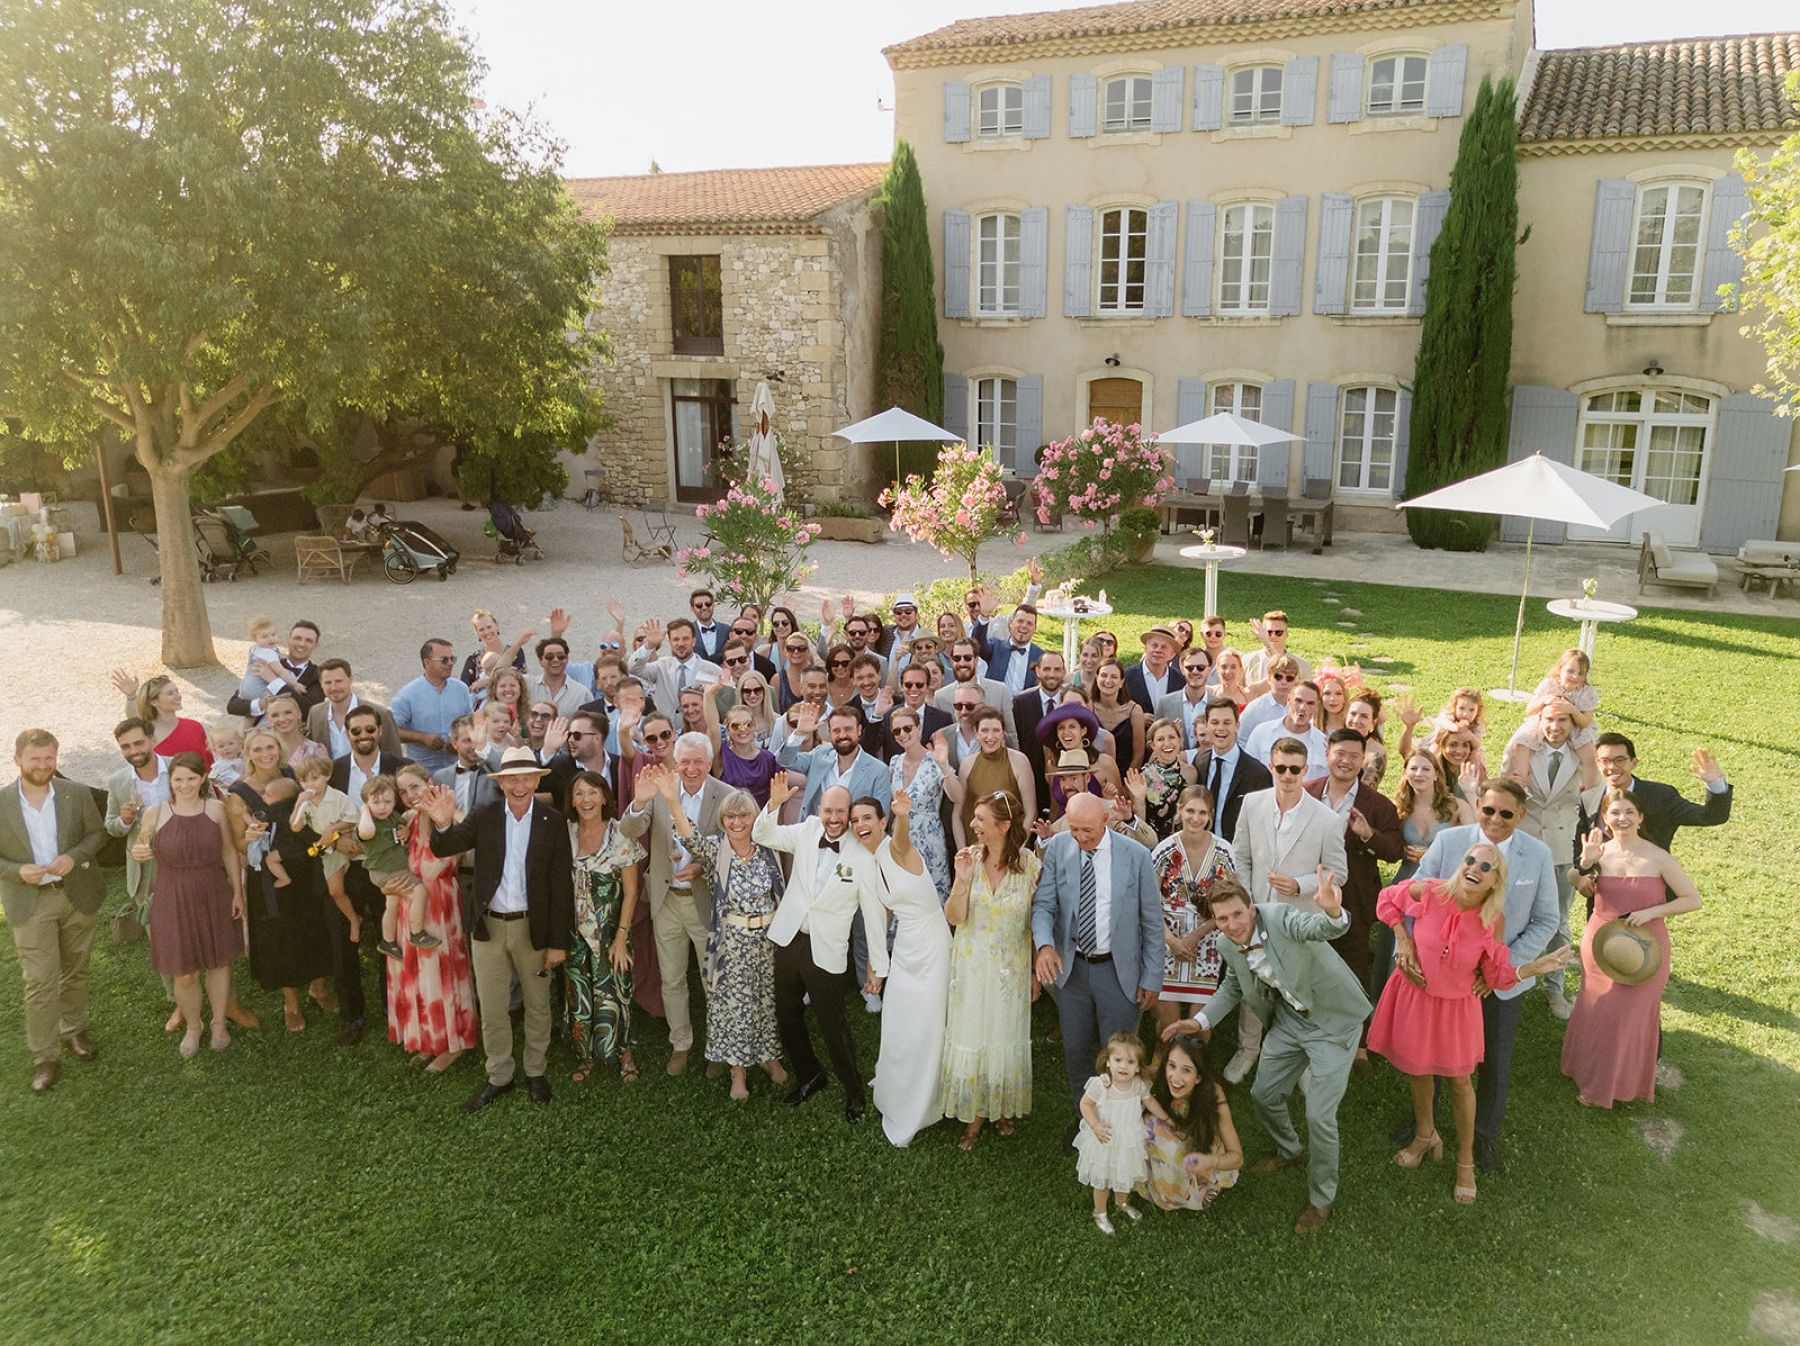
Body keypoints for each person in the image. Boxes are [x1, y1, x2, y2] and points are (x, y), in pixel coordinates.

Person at [1164, 874, 1368, 1235]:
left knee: (1319, 1115)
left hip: (1333, 1022)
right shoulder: (1227, 944)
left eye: (1237, 914)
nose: (1232, 925)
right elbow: (1233, 985)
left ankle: (1321, 1200)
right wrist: (1200, 1021)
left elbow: (1321, 927)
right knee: (1263, 1094)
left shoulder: (1281, 918)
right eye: (1222, 919)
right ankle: (1290, 1150)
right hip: (1290, 1021)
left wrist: (1333, 912)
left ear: (1252, 910)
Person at [1369, 849, 1572, 1204]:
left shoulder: (1492, 921)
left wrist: (1532, 968)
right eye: (1470, 861)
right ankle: (1425, 1135)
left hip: (1456, 1009)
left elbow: (1495, 975)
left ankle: (1465, 1162)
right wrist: (1402, 937)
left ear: (1494, 881)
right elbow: (1387, 898)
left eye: (1486, 866)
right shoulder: (1430, 891)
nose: (1474, 868)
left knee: (1460, 1083)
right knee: (1418, 1070)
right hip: (1416, 996)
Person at [1406, 778, 1561, 1173]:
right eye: (1489, 810)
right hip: (1443, 977)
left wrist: (1500, 971)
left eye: (1506, 813)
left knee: (1494, 1058)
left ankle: (1485, 1136)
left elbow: (1547, 920)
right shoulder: (1449, 842)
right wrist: (1406, 945)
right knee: (1430, 1050)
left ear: (1521, 816)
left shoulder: (1538, 855)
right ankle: (1425, 1124)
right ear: (1477, 806)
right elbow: (1413, 891)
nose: (1495, 819)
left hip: (1496, 983)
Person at [422, 747, 574, 1113]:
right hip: (489, 927)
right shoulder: (484, 814)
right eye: (512, 779)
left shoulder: (552, 821)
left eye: (526, 778)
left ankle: (535, 1070)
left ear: (536, 781)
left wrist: (557, 942)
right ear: (501, 783)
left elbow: (561, 885)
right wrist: (441, 823)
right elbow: (447, 846)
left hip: (533, 927)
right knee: (492, 1007)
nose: (519, 785)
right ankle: (500, 1074)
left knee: (538, 1004)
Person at [752, 776, 889, 1122]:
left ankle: (854, 1090)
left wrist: (877, 966)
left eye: (841, 811)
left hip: (827, 948)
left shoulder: (863, 854)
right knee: (787, 1015)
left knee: (833, 1024)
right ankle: (810, 1074)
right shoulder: (808, 829)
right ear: (819, 809)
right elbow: (762, 834)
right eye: (828, 810)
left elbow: (874, 914)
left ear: (849, 812)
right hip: (789, 939)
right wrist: (774, 804)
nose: (834, 818)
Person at [649, 767, 787, 1101]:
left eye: (744, 815)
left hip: (766, 943)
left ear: (754, 818)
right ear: (723, 821)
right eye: (730, 817)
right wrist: (672, 800)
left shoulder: (767, 848)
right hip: (731, 944)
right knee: (734, 1008)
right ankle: (737, 1072)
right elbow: (689, 836)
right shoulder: (716, 850)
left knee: (766, 1002)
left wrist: (776, 804)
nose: (737, 822)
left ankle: (769, 1057)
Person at [1563, 790, 1704, 1108]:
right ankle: (1586, 1073)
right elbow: (1573, 877)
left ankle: (1618, 1084)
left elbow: (1692, 900)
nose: (1622, 818)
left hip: (1646, 949)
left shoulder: (1658, 857)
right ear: (1605, 819)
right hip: (1601, 943)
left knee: (1628, 1017)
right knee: (1596, 1010)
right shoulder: (1599, 852)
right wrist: (1585, 864)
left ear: (1640, 817)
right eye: (1614, 813)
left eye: (1629, 812)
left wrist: (1651, 912)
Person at [1032, 793, 1163, 1120]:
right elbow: (1044, 905)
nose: (1080, 837)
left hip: (1117, 970)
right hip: (1073, 969)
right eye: (1074, 829)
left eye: (1087, 830)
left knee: (1118, 1053)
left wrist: (1151, 977)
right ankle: (1085, 1118)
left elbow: (1152, 922)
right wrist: (1044, 945)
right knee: (1076, 1049)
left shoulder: (1136, 856)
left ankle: (1120, 1119)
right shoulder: (1059, 847)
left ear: (1106, 820)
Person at [618, 731, 733, 1076]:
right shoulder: (660, 791)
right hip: (666, 901)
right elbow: (628, 830)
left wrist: (702, 866)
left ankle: (718, 1047)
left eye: (698, 761)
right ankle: (680, 1043)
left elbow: (732, 849)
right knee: (671, 980)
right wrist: (638, 802)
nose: (691, 768)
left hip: (705, 903)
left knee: (713, 981)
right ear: (675, 763)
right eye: (685, 762)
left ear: (710, 762)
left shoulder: (726, 795)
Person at [1, 729, 107, 1094]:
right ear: (17, 760)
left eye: (49, 758)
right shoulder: (2, 802)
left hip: (75, 895)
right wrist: (17, 871)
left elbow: (98, 834)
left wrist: (74, 856)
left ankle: (73, 1030)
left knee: (76, 969)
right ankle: (44, 1056)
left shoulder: (75, 793)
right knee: (40, 981)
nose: (43, 765)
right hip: (30, 903)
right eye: (35, 759)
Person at [943, 791, 1041, 1150]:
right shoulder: (968, 857)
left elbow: (1036, 922)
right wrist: (962, 880)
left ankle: (1000, 1106)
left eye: (981, 819)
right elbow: (954, 917)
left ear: (1004, 825)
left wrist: (1034, 971)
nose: (973, 824)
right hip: (971, 966)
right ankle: (974, 1116)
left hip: (1010, 970)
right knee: (974, 1034)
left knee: (1003, 1035)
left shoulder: (1031, 866)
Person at [135, 753, 245, 1057]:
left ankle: (219, 1023)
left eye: (191, 779)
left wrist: (237, 892)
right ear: (170, 780)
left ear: (203, 778)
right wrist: (139, 851)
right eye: (178, 779)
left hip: (213, 890)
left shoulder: (216, 809)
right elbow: (141, 843)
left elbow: (228, 852)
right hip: (172, 895)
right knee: (183, 971)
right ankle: (194, 1025)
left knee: (218, 962)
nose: (185, 785)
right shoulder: (155, 813)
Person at [225, 728, 333, 1035]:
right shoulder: (238, 793)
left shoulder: (293, 776)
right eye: (257, 749)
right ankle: (291, 1004)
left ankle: (318, 988)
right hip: (268, 876)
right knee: (282, 935)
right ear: (248, 753)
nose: (265, 754)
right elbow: (237, 843)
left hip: (305, 865)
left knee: (314, 925)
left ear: (279, 748)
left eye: (270, 747)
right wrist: (249, 837)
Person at [860, 790, 951, 1147]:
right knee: (899, 1020)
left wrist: (902, 817)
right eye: (855, 820)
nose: (860, 825)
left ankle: (927, 1099)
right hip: (905, 948)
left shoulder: (898, 848)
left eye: (868, 818)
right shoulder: (871, 861)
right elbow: (883, 915)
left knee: (928, 1024)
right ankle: (897, 1087)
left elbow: (901, 841)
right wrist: (875, 965)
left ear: (881, 821)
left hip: (932, 945)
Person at [1305, 729, 1404, 1034]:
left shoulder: (1378, 805)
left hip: (1354, 899)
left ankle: (1356, 1037)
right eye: (1340, 754)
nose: (1346, 761)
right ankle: (1305, 1030)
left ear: (1363, 760)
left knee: (1352, 968)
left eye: (1353, 756)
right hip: (1306, 895)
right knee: (1307, 964)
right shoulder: (1307, 792)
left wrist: (1368, 835)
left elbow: (1394, 851)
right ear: (1327, 755)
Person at [386, 765, 478, 1073]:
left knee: (441, 974)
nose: (409, 795)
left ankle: (453, 1043)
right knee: (415, 975)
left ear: (429, 782)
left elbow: (469, 837)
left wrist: (438, 814)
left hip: (440, 906)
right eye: (403, 791)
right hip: (408, 905)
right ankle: (428, 1039)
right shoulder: (407, 821)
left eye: (415, 787)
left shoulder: (452, 817)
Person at [560, 769, 644, 1084]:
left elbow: (632, 891)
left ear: (605, 797)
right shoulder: (565, 833)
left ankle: (624, 1055)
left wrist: (621, 937)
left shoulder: (620, 833)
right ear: (571, 800)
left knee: (615, 992)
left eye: (593, 792)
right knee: (579, 994)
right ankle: (585, 1055)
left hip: (611, 931)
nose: (586, 800)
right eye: (579, 793)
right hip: (574, 933)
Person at [1373, 751, 1475, 995]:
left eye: (1425, 769)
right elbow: (1390, 845)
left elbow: (1475, 843)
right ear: (1406, 774)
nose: (1419, 774)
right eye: (1413, 769)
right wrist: (1402, 850)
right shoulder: (1401, 808)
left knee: (1430, 945)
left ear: (1437, 774)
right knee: (1402, 943)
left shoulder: (1456, 806)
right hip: (1407, 882)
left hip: (1442, 885)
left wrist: (1471, 794)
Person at [1510, 701, 1586, 1020]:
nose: (1556, 727)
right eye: (1550, 720)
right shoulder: (1523, 749)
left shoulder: (1583, 754)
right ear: (1539, 721)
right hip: (1524, 843)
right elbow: (1508, 790)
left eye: (1563, 720)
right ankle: (1511, 975)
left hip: (1561, 847)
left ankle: (1555, 987)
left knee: (1558, 918)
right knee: (1513, 912)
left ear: (1573, 724)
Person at [1149, 785, 1236, 1043]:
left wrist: (1196, 936)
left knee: (1200, 1026)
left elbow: (1230, 903)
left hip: (1207, 941)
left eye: (1202, 813)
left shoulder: (1224, 852)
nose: (1195, 818)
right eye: (1190, 811)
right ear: (1179, 810)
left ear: (1210, 815)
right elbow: (1149, 903)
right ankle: (1165, 1059)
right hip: (1167, 939)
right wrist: (1172, 941)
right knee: (1168, 1025)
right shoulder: (1164, 850)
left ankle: (1197, 1063)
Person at [1577, 733, 1733, 857]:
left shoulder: (1661, 796)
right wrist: (1583, 874)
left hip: (1652, 882)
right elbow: (1579, 846)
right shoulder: (1588, 799)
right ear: (1597, 764)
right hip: (1603, 884)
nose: (1612, 767)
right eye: (1605, 761)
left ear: (1634, 763)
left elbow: (1712, 816)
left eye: (1619, 760)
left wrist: (1715, 783)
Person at [1075, 1032, 1169, 1234]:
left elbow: (1150, 1102)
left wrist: (1167, 1119)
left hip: (1128, 1139)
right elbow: (1085, 1104)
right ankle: (1099, 1211)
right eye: (1118, 1060)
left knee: (1125, 1173)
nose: (1123, 1066)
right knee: (1103, 1179)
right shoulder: (1102, 1085)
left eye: (1130, 1062)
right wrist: (1095, 1125)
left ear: (1138, 1067)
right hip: (1105, 1139)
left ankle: (1121, 1201)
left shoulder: (1138, 1086)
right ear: (1108, 1062)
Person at [1139, 1033, 1243, 1212]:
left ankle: (1196, 1185)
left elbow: (1237, 1157)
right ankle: (1168, 1180)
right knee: (1146, 1123)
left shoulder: (1213, 1094)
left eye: (1186, 1070)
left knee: (1154, 1127)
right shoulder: (1157, 1076)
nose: (1175, 1078)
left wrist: (1209, 1161)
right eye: (1172, 1066)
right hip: (1173, 1144)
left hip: (1201, 1152)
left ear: (1198, 1077)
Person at [356, 775, 434, 960]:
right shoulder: (369, 824)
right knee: (420, 892)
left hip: (392, 869)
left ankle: (388, 941)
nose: (382, 807)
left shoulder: (393, 817)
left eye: (387, 802)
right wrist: (364, 811)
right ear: (367, 803)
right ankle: (417, 933)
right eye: (376, 802)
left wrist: (405, 830)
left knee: (391, 905)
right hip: (385, 871)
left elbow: (403, 826)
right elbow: (365, 833)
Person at [1505, 648, 1601, 787]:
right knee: (1522, 742)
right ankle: (1519, 782)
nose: (1575, 676)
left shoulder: (1586, 692)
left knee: (1589, 754)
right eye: (1570, 671)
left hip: (1576, 726)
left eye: (1581, 673)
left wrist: (1572, 710)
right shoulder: (1549, 685)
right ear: (1560, 669)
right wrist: (1544, 700)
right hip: (1545, 722)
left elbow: (1585, 722)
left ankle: (1589, 790)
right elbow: (1530, 710)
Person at [944, 706, 1036, 849]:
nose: (990, 736)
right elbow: (958, 814)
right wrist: (963, 850)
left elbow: (1031, 811)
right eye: (985, 730)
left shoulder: (1019, 761)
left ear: (1003, 732)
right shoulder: (967, 764)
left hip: (1011, 845)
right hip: (976, 846)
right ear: (976, 733)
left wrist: (1016, 847)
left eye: (996, 730)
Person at [886, 707, 951, 899]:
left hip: (929, 838)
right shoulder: (895, 762)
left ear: (918, 727)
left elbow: (957, 797)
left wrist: (944, 766)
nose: (902, 734)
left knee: (932, 896)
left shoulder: (935, 760)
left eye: (907, 728)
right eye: (896, 731)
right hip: (900, 837)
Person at [389, 638, 474, 774]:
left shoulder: (461, 689)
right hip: (422, 772)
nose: (450, 663)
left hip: (457, 769)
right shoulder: (407, 695)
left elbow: (471, 723)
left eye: (452, 659)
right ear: (427, 663)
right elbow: (391, 731)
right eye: (444, 660)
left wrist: (458, 740)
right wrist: (421, 738)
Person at [223, 619, 323, 720]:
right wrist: (262, 704)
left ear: (316, 646)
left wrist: (273, 680)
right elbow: (233, 706)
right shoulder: (267, 661)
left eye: (309, 641)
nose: (302, 644)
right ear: (288, 639)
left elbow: (309, 712)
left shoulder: (318, 675)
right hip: (258, 728)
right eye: (297, 638)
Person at [306, 658, 403, 761]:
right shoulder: (315, 713)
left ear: (350, 680)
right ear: (321, 684)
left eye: (339, 681)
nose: (333, 688)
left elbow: (395, 758)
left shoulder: (381, 713)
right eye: (328, 683)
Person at [108, 670, 210, 765]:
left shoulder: (194, 726)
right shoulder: (148, 732)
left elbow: (209, 761)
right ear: (154, 702)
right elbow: (133, 720)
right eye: (170, 693)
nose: (178, 696)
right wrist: (131, 696)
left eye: (177, 691)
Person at [628, 617, 723, 720]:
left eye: (685, 639)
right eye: (676, 639)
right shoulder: (661, 666)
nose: (681, 644)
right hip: (666, 727)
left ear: (694, 641)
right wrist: (649, 646)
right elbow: (633, 668)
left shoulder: (713, 671)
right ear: (670, 642)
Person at [1127, 718, 1195, 840]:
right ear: (1152, 745)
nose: (1167, 743)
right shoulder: (1142, 776)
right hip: (1152, 841)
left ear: (1180, 740)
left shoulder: (1190, 772)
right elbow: (1139, 822)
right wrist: (1138, 799)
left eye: (1172, 737)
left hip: (1181, 841)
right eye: (1160, 739)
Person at [1245, 679, 1327, 781]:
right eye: (1298, 701)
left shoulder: (1323, 743)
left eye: (1310, 703)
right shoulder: (1261, 733)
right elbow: (1247, 773)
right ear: (1288, 700)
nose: (1303, 707)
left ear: (1317, 706)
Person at [1155, 647, 1217, 750]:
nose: (1195, 671)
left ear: (1209, 669)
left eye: (1201, 667)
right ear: (1182, 669)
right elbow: (1156, 743)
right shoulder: (1164, 704)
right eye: (1190, 668)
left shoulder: (1219, 705)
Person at [1092, 659, 1147, 771]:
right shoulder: (1088, 707)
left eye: (1114, 677)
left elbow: (1139, 754)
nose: (1108, 680)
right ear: (1097, 678)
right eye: (1104, 675)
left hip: (1126, 775)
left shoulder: (1134, 711)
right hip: (1095, 774)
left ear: (1122, 682)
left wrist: (1127, 780)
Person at [459, 607, 530, 689]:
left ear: (497, 626)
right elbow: (463, 689)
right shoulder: (473, 660)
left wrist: (487, 682)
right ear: (477, 633)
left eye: (489, 627)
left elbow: (521, 680)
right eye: (481, 629)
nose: (487, 632)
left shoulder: (515, 652)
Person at [1123, 626, 1181, 714]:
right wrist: (1137, 717)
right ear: (1145, 649)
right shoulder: (1126, 677)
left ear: (1172, 654)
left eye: (1164, 647)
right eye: (1154, 645)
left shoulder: (1179, 679)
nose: (1158, 650)